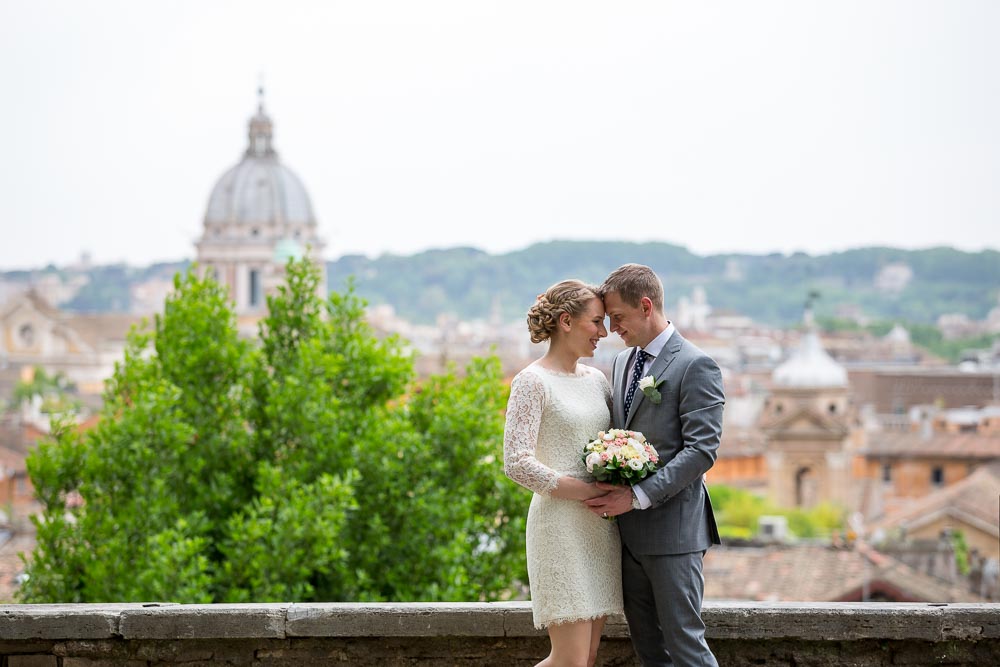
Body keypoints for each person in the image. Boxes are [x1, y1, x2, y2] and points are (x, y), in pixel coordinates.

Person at [585, 263, 724, 667]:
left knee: (686, 649)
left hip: (675, 535)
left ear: (646, 306)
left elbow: (701, 452)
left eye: (618, 318)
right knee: (649, 653)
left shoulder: (696, 365)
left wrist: (638, 496)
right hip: (628, 539)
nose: (612, 329)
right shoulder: (623, 363)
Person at [503, 279, 622, 667]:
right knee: (568, 660)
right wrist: (576, 488)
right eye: (596, 322)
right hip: (558, 528)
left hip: (599, 529)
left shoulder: (598, 381)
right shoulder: (531, 382)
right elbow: (516, 461)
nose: (603, 333)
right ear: (566, 321)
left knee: (586, 659)